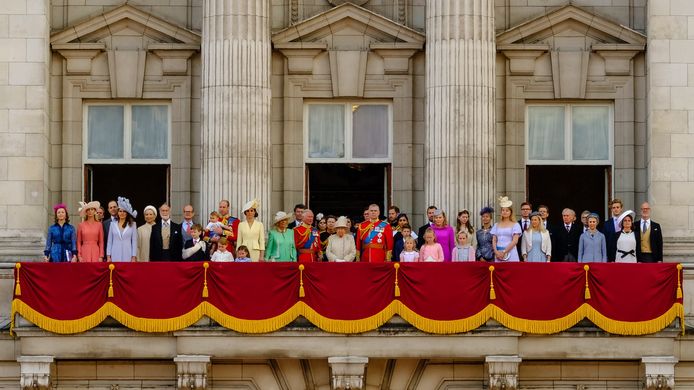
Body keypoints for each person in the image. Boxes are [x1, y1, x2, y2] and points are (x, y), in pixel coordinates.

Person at [106, 196, 138, 263]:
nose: (122, 213)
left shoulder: (133, 225)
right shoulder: (112, 224)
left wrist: (133, 256)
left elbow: (134, 242)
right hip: (115, 254)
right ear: (118, 212)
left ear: (127, 213)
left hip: (128, 254)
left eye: (124, 211)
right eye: (120, 211)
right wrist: (108, 256)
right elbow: (109, 242)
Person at [491, 197, 522, 262]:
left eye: (507, 210)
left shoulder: (515, 225)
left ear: (511, 212)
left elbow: (515, 241)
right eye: (503, 210)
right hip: (498, 254)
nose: (505, 212)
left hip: (511, 252)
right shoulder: (496, 225)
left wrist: (504, 252)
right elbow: (494, 240)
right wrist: (496, 252)